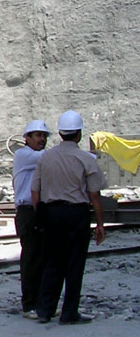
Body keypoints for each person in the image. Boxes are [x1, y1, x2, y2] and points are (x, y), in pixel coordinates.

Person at [30, 110, 106, 325]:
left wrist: (40, 216)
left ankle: (45, 310)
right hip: (76, 214)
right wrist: (100, 224)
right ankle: (69, 313)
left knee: (52, 261)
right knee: (74, 264)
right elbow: (94, 195)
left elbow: (35, 191)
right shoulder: (86, 159)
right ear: (79, 134)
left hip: (51, 214)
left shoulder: (46, 157)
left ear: (60, 134)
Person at [12, 119, 50, 319]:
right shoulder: (24, 155)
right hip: (28, 211)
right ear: (27, 138)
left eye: (44, 136)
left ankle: (42, 303)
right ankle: (29, 304)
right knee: (31, 259)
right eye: (38, 135)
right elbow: (49, 157)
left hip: (41, 209)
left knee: (43, 258)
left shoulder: (42, 157)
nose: (42, 139)